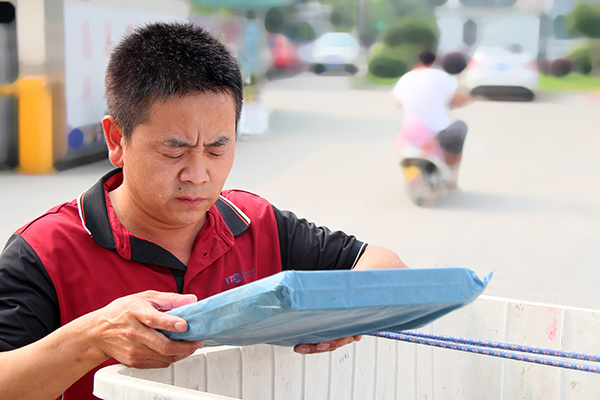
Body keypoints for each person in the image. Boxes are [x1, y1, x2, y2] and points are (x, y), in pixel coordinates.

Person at [0, 22, 406, 400]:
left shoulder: (255, 222)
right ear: (117, 139)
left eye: (217, 148)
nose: (198, 174)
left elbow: (385, 264)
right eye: (173, 149)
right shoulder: (44, 250)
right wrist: (93, 337)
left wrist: (348, 313)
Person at [392, 50, 469, 168]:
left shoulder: (406, 77)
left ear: (418, 61)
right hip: (437, 131)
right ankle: (452, 176)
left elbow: (397, 104)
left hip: (409, 131)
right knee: (460, 127)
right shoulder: (442, 76)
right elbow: (457, 100)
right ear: (434, 61)